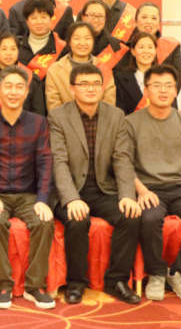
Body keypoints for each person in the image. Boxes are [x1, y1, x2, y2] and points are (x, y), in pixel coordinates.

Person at [49, 63, 142, 305]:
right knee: (78, 219)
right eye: (84, 84)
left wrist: (127, 194)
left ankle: (116, 281)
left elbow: (122, 159)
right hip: (71, 189)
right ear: (72, 88)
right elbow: (59, 161)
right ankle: (76, 283)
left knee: (130, 216)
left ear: (103, 88)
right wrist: (71, 199)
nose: (91, 89)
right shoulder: (58, 116)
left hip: (103, 189)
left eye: (96, 84)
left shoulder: (116, 115)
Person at [125, 64, 181, 302]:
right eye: (156, 85)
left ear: (176, 91)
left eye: (168, 85)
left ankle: (178, 273)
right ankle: (156, 273)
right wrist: (141, 191)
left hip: (179, 188)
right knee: (149, 218)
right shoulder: (131, 123)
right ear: (146, 90)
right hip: (147, 188)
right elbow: (123, 164)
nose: (163, 90)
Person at [0, 65, 55, 310]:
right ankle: (3, 285)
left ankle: (34, 286)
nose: (13, 92)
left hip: (27, 194)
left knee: (44, 221)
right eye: (8, 86)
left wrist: (42, 199)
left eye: (19, 87)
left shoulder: (39, 123)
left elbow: (45, 163)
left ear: (27, 92)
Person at [0, 32, 46, 117]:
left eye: (13, 49)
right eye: (4, 49)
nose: (9, 53)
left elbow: (38, 114)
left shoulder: (32, 79)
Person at [45, 22, 116, 110]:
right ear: (69, 42)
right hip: (65, 118)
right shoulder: (54, 70)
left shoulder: (104, 69)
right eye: (77, 38)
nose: (82, 43)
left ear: (93, 41)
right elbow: (54, 106)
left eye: (87, 38)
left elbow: (109, 106)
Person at [117, 2, 181, 93]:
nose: (149, 21)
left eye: (154, 18)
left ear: (159, 23)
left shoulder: (171, 47)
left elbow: (177, 81)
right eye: (144, 17)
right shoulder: (125, 48)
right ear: (135, 21)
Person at [15, 0, 65, 79]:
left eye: (43, 17)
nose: (39, 22)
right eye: (34, 17)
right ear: (26, 21)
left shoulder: (63, 48)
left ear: (51, 19)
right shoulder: (16, 46)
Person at [114, 32, 160, 115]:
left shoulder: (165, 77)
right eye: (141, 47)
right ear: (133, 51)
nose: (146, 51)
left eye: (150, 47)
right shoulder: (121, 79)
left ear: (155, 51)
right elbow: (120, 112)